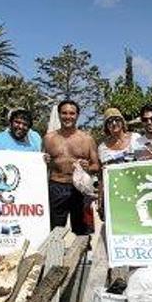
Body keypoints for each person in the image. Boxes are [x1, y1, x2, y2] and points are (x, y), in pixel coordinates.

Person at [43, 100, 100, 236]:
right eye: (64, 113)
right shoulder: (48, 138)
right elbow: (42, 163)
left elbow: (96, 166)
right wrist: (45, 161)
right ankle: (54, 257)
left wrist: (88, 168)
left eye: (71, 113)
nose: (68, 117)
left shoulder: (87, 139)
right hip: (56, 186)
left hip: (79, 189)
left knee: (82, 231)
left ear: (77, 115)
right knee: (55, 231)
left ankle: (83, 257)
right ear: (59, 115)